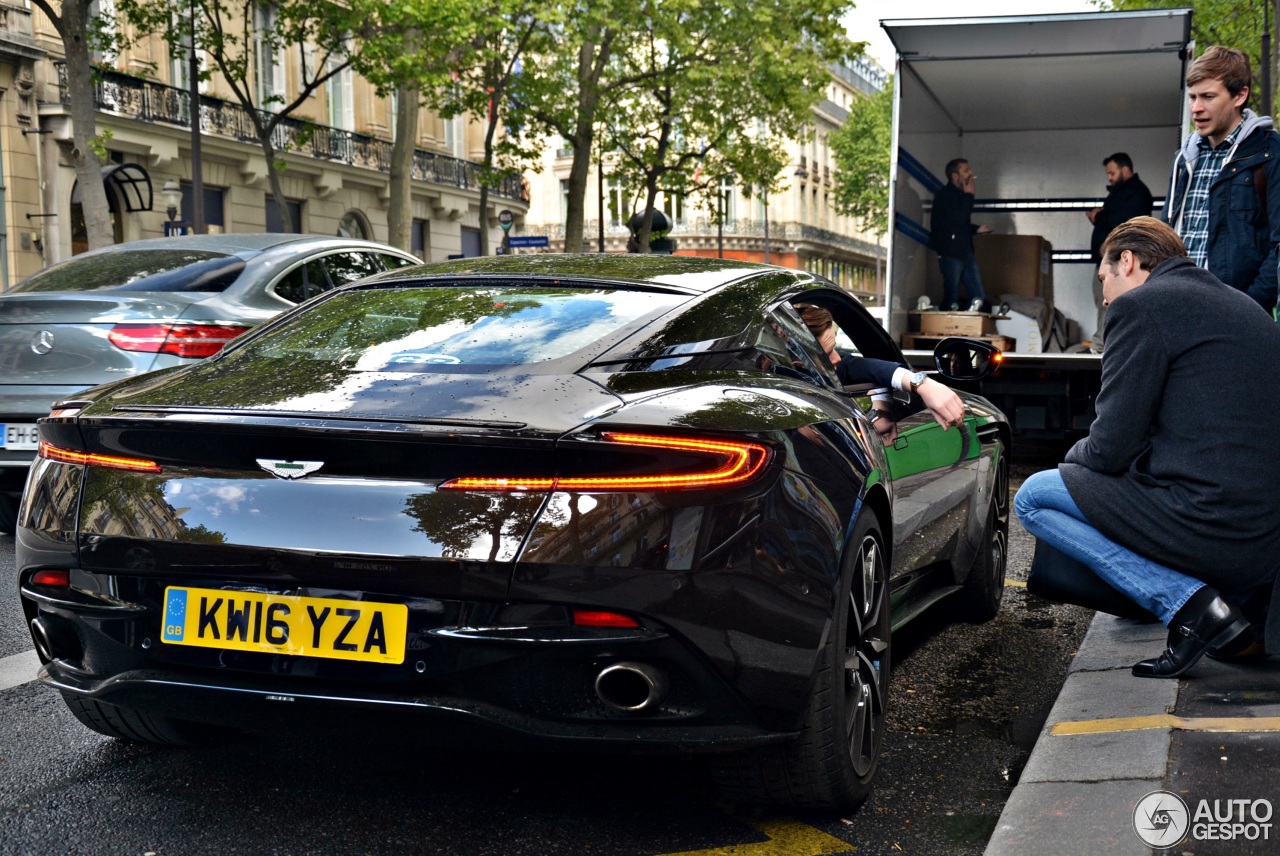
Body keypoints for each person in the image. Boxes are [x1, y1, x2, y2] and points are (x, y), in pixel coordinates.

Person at [1014, 217, 1280, 678]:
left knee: (1036, 495)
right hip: (1265, 535)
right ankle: (1226, 605)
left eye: (1104, 279)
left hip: (1218, 524)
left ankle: (1189, 605)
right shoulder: (1241, 303)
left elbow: (1109, 448)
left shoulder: (1143, 306)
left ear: (1129, 261)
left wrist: (1071, 464)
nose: (1104, 296)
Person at [1162, 45, 1280, 314]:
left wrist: (1246, 309)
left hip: (1235, 316)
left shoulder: (1270, 154)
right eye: (1192, 97)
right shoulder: (1184, 159)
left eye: (1208, 97)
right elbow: (1165, 235)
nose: (1196, 108)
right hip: (1177, 307)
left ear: (1240, 96)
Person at [797, 305, 966, 446]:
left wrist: (924, 385)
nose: (837, 358)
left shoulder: (838, 367)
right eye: (827, 354)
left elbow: (876, 370)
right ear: (797, 359)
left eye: (834, 348)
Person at [1086, 153, 1154, 351]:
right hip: (1110, 259)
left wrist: (1099, 217)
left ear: (1125, 170)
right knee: (1104, 299)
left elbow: (1124, 223)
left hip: (1119, 260)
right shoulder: (1121, 192)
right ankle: (1103, 344)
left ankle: (1102, 346)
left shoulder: (1137, 193)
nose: (1109, 177)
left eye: (1112, 173)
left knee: (1109, 299)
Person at [930, 158, 990, 311]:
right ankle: (945, 329)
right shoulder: (945, 196)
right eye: (966, 171)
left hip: (964, 251)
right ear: (955, 176)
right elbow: (958, 219)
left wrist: (976, 229)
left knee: (978, 297)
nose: (971, 174)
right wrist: (969, 195)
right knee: (952, 296)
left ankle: (972, 329)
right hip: (951, 252)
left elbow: (959, 224)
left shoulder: (959, 195)